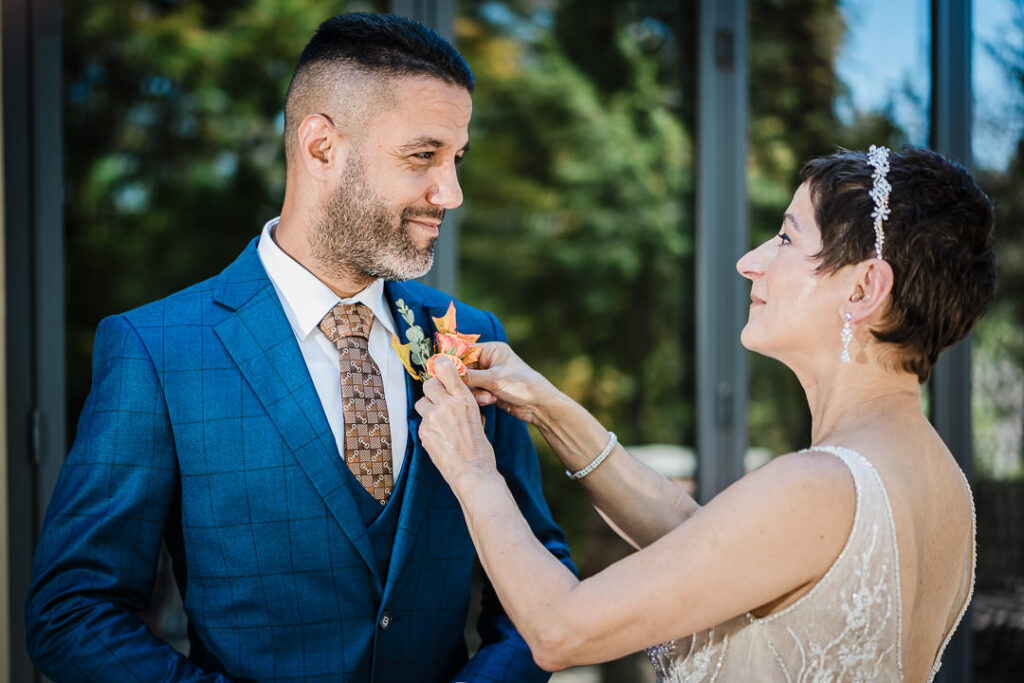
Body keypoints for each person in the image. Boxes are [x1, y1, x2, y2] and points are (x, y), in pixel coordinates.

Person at [26, 12, 573, 682]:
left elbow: (539, 584)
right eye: (422, 156)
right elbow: (71, 614)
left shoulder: (468, 336)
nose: (450, 193)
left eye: (456, 159)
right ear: (321, 147)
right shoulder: (157, 350)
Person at [416, 145, 996, 681]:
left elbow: (559, 629)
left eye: (787, 239)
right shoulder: (943, 485)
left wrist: (472, 468)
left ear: (865, 288)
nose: (750, 262)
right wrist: (548, 409)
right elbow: (706, 545)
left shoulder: (820, 485)